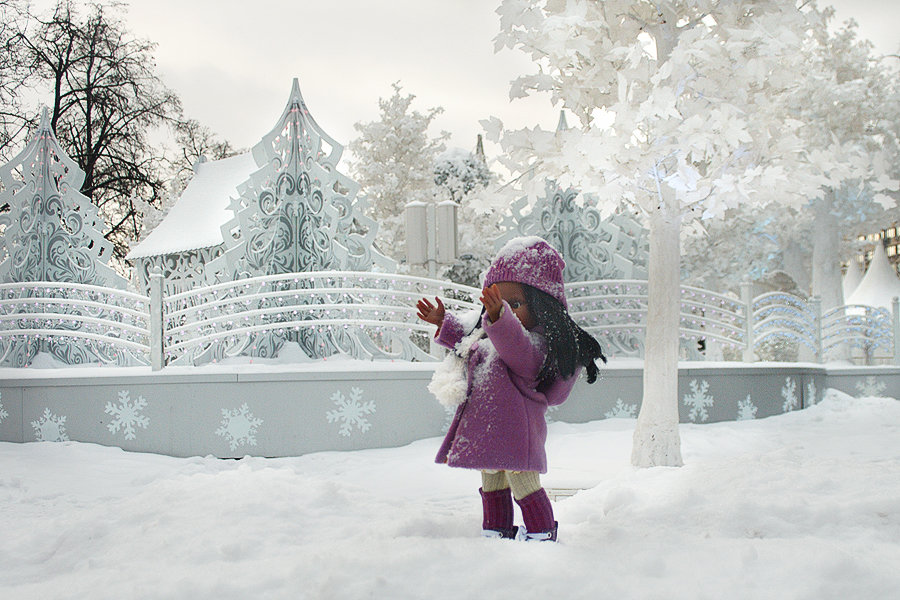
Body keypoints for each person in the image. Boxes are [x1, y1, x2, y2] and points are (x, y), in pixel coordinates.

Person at [416, 237, 606, 542]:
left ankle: (542, 531)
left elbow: (522, 357)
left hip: (518, 431)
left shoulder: (535, 344)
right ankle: (496, 529)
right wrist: (444, 323)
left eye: (514, 304)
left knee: (524, 482)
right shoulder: (491, 335)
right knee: (491, 479)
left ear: (542, 305)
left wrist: (501, 320)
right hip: (487, 427)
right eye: (494, 304)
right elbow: (466, 342)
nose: (501, 312)